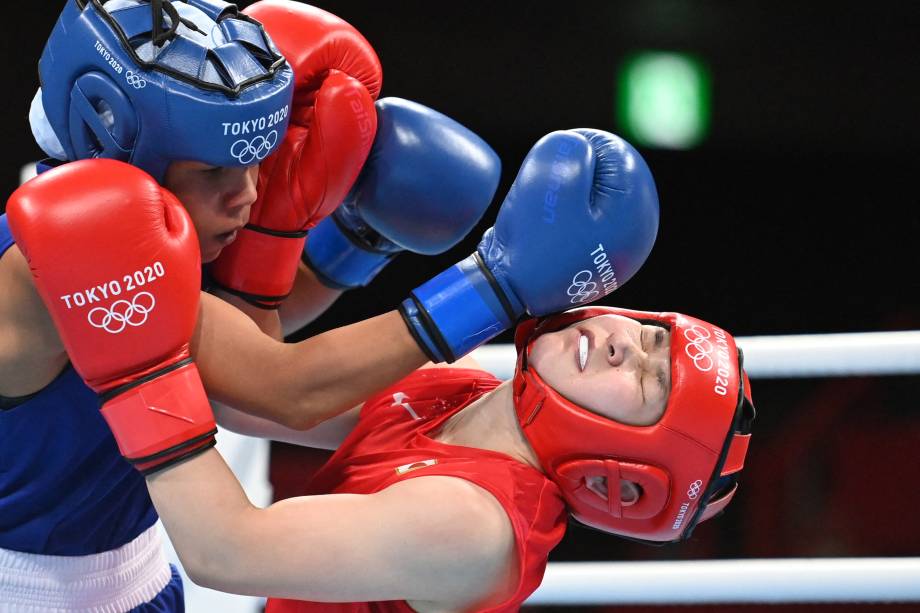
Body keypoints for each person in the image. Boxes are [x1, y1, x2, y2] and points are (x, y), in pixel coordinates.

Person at [0, 1, 659, 611]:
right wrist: (492, 286)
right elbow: (282, 387)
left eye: (258, 162)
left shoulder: (126, 236)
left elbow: (235, 361)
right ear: (120, 144)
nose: (249, 195)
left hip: (133, 574)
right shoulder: (59, 261)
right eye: (215, 171)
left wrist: (352, 246)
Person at [93, 304, 757, 612]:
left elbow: (223, 550)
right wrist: (333, 238)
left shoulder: (474, 524)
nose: (622, 347)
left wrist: (116, 322)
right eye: (646, 336)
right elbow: (261, 392)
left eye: (647, 381)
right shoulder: (458, 388)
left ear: (629, 477)